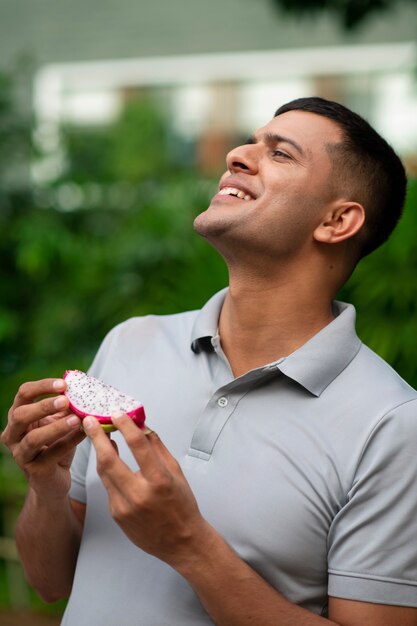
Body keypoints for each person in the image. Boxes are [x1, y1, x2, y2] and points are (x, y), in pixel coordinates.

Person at [2, 97, 417, 626]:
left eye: (281, 154)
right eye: (249, 141)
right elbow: (49, 580)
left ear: (338, 221)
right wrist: (47, 483)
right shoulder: (132, 342)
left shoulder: (394, 424)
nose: (238, 155)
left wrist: (189, 545)